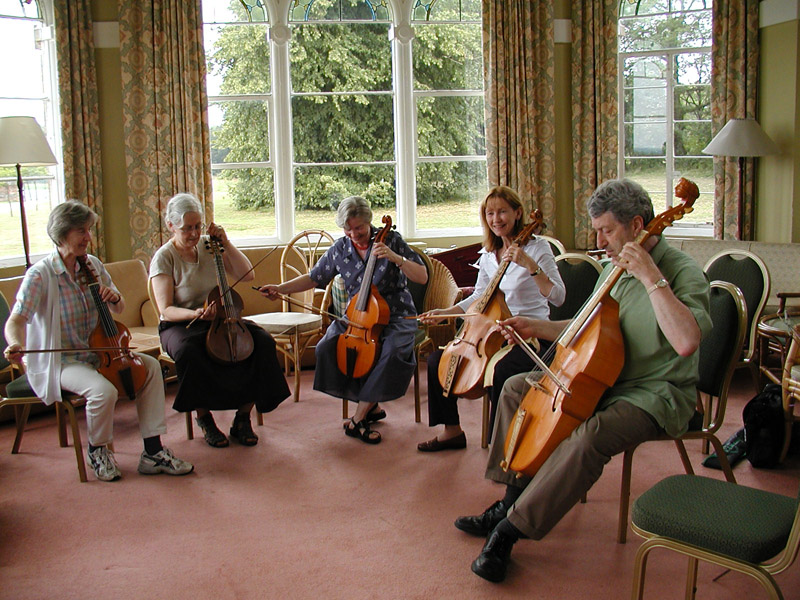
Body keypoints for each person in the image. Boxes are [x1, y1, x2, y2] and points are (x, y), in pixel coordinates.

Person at [455, 179, 712, 583]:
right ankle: (510, 498)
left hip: (653, 391)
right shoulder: (611, 267)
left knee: (588, 436)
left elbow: (687, 341)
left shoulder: (681, 271)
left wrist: (650, 277)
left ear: (638, 225)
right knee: (515, 387)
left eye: (606, 231)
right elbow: (581, 329)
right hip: (601, 377)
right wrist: (534, 325)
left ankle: (509, 532)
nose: (600, 241)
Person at [3, 200, 193, 482]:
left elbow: (118, 307)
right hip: (63, 360)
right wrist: (15, 343)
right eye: (81, 231)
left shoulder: (92, 265)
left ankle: (153, 452)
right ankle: (97, 450)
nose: (88, 238)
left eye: (89, 230)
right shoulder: (40, 275)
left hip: (100, 354)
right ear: (61, 233)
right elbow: (16, 320)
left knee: (152, 368)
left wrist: (114, 297)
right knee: (103, 391)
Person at [259, 195, 428, 444]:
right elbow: (314, 278)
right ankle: (371, 405)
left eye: (358, 227)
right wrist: (280, 288)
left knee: (392, 351)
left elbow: (422, 276)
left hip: (396, 315)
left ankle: (359, 416)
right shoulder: (340, 248)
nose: (353, 234)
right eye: (347, 229)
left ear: (369, 222)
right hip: (356, 317)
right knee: (327, 347)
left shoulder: (391, 240)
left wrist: (395, 257)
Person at [417, 186, 565, 451]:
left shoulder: (538, 249)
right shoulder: (487, 255)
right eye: (490, 213)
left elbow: (559, 297)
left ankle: (502, 442)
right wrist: (446, 313)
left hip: (530, 336)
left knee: (501, 369)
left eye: (502, 212)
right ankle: (452, 431)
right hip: (492, 334)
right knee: (439, 359)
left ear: (518, 213)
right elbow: (480, 298)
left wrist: (530, 265)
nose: (496, 219)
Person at [149, 193, 290, 448]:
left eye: (198, 226)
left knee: (262, 343)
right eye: (187, 228)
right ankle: (204, 418)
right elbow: (166, 309)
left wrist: (226, 241)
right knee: (190, 351)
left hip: (223, 317)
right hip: (182, 323)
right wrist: (195, 314)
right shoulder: (164, 257)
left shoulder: (209, 245)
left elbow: (247, 274)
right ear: (171, 226)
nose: (194, 233)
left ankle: (243, 418)